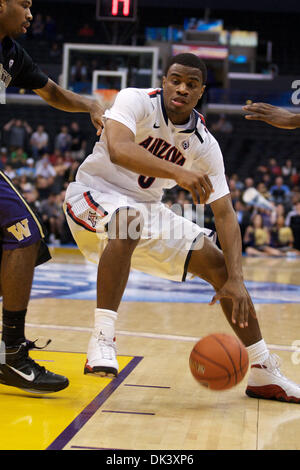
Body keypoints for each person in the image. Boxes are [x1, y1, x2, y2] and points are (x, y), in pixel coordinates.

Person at [64, 53, 300, 403]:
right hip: (92, 194)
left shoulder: (204, 144)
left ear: (201, 91)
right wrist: (178, 172)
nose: (181, 88)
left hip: (147, 210)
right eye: (175, 79)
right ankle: (102, 338)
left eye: (191, 84)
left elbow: (225, 214)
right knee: (128, 220)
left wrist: (236, 278)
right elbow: (118, 149)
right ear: (164, 79)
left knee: (220, 265)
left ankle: (263, 368)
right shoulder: (135, 100)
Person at [0, 0, 103, 394]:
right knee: (25, 233)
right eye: (24, 4)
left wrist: (92, 104)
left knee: (24, 241)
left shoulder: (11, 53)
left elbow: (52, 92)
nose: (30, 13)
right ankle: (11, 354)